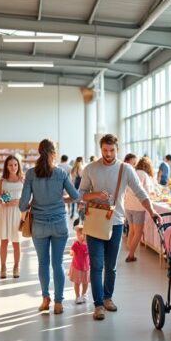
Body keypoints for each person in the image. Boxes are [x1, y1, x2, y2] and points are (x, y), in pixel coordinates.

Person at [80, 134, 161, 321]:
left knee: (111, 266)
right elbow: (81, 194)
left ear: (118, 149)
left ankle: (108, 298)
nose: (108, 154)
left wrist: (152, 211)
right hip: (95, 222)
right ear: (100, 149)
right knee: (97, 265)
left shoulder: (126, 169)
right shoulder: (91, 168)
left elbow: (141, 193)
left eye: (112, 150)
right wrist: (96, 195)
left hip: (116, 223)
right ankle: (98, 305)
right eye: (105, 150)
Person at [19, 139, 80, 315]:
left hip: (39, 225)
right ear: (54, 153)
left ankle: (46, 299)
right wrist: (61, 200)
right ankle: (59, 302)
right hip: (59, 223)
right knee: (58, 263)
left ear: (39, 152)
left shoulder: (31, 174)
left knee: (43, 263)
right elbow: (75, 196)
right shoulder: (61, 173)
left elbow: (22, 205)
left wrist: (34, 203)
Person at [0, 155, 25, 279]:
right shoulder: (2, 181)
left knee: (16, 242)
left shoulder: (23, 180)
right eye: (10, 165)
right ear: (6, 166)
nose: (13, 167)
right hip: (5, 212)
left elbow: (28, 197)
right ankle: (3, 267)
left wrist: (19, 201)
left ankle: (16, 267)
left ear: (18, 166)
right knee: (4, 241)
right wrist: (5, 201)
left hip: (17, 213)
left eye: (15, 165)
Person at [124, 156, 156, 262]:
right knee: (138, 232)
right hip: (138, 206)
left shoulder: (133, 172)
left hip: (128, 205)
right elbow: (146, 192)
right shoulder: (144, 175)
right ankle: (131, 255)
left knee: (131, 229)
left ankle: (130, 249)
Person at [69, 224, 90, 304]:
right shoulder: (76, 244)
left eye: (83, 235)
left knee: (85, 282)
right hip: (77, 266)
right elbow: (71, 252)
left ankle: (84, 294)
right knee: (77, 282)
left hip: (86, 267)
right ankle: (77, 296)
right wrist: (72, 253)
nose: (81, 237)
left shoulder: (88, 244)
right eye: (78, 235)